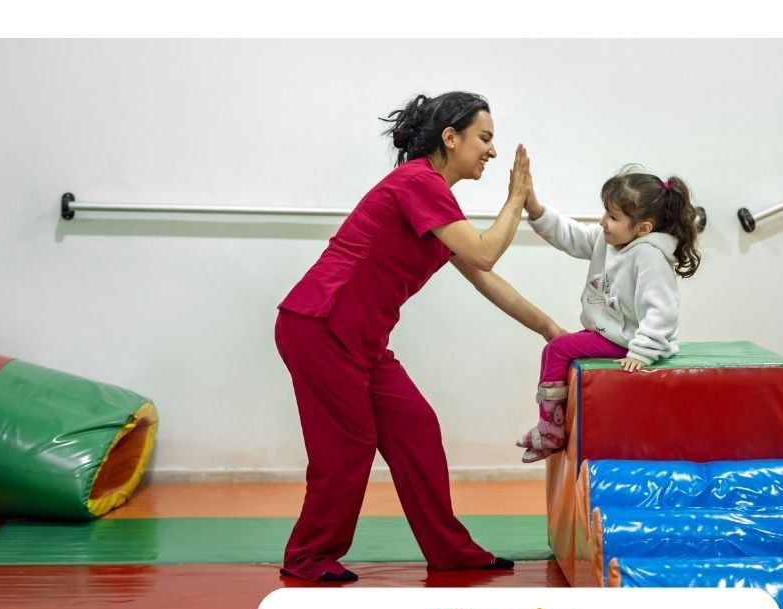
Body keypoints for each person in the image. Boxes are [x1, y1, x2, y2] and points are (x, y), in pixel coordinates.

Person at [274, 91, 564, 581]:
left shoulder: (434, 197)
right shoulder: (418, 183)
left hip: (361, 340)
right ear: (450, 138)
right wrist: (516, 198)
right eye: (484, 139)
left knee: (417, 429)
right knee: (347, 448)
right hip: (320, 326)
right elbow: (486, 254)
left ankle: (450, 550)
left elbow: (483, 275)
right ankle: (308, 558)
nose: (492, 152)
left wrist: (550, 331)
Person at [516, 166, 704, 463]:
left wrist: (641, 352)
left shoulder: (649, 256)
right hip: (609, 334)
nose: (603, 222)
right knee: (556, 351)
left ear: (643, 228)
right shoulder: (609, 242)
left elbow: (662, 311)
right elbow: (571, 235)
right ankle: (551, 424)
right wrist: (536, 209)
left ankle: (550, 428)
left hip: (627, 340)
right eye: (605, 212)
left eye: (613, 218)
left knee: (557, 348)